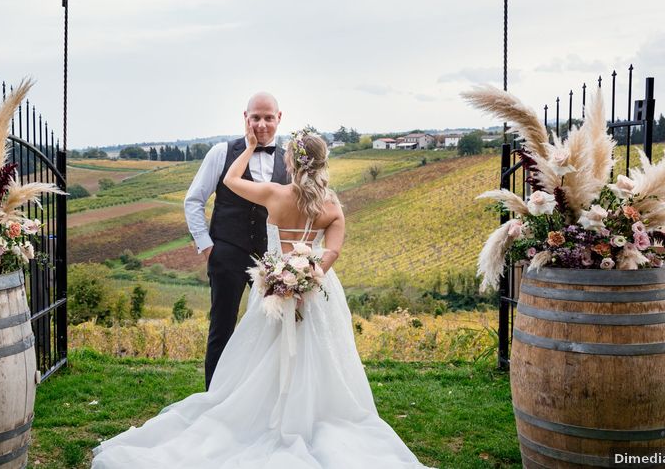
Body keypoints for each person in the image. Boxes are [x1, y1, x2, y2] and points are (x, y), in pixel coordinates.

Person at [92, 122, 431, 469]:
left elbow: (229, 182)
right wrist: (307, 279)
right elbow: (332, 253)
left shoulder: (274, 195)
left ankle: (262, 413)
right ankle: (309, 413)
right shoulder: (332, 206)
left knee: (260, 354)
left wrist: (250, 147)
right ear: (323, 162)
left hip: (272, 288)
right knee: (323, 356)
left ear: (294, 163)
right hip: (317, 292)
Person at [183, 92, 289, 390]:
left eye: (269, 117)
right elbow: (194, 200)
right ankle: (214, 395)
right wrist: (206, 245)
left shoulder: (287, 159)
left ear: (279, 118)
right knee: (222, 327)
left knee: (273, 328)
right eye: (255, 117)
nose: (262, 124)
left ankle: (262, 394)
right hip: (227, 252)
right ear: (245, 118)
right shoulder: (220, 152)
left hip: (272, 260)